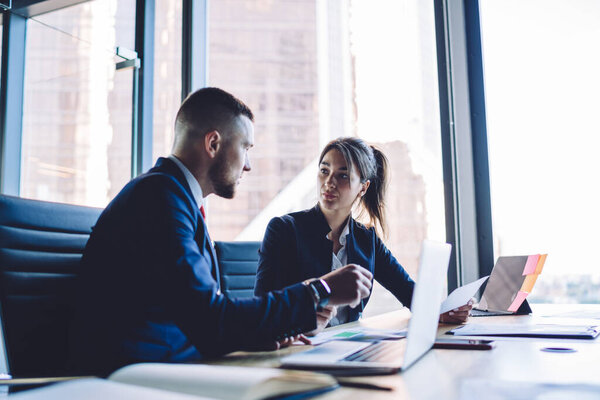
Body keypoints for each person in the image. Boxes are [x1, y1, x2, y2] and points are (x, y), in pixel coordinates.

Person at [69, 88, 373, 376]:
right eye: (245, 148)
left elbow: (203, 318)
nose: (248, 165)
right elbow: (211, 320)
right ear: (213, 144)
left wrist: (261, 335)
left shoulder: (174, 196)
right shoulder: (159, 199)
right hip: (140, 375)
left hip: (174, 363)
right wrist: (321, 290)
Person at [254, 137, 472, 331]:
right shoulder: (284, 229)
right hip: (297, 345)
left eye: (343, 175)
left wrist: (442, 311)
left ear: (363, 187)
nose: (329, 182)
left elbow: (407, 290)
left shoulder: (366, 239)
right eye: (324, 170)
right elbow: (262, 306)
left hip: (346, 343)